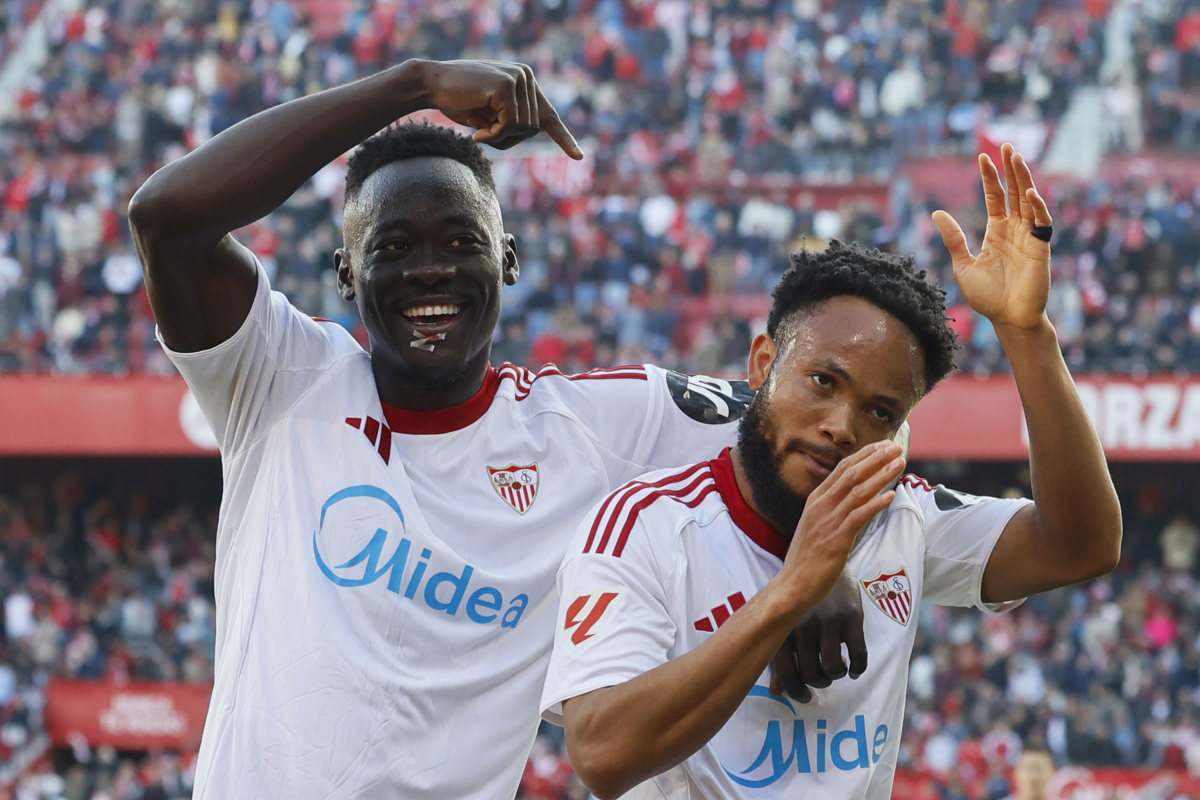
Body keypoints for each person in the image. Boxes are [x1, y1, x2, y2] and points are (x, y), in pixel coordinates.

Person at [126, 59, 860, 799]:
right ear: (346, 274)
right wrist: (412, 84)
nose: (430, 271)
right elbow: (166, 218)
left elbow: (838, 415)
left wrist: (816, 553)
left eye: (459, 241)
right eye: (392, 248)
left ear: (506, 260)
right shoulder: (278, 380)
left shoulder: (602, 425)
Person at [540, 144, 1123, 799]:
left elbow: (1082, 546)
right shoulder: (643, 524)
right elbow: (600, 752)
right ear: (763, 364)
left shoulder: (899, 519)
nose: (842, 426)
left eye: (879, 411)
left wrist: (1027, 333)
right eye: (822, 380)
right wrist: (792, 591)